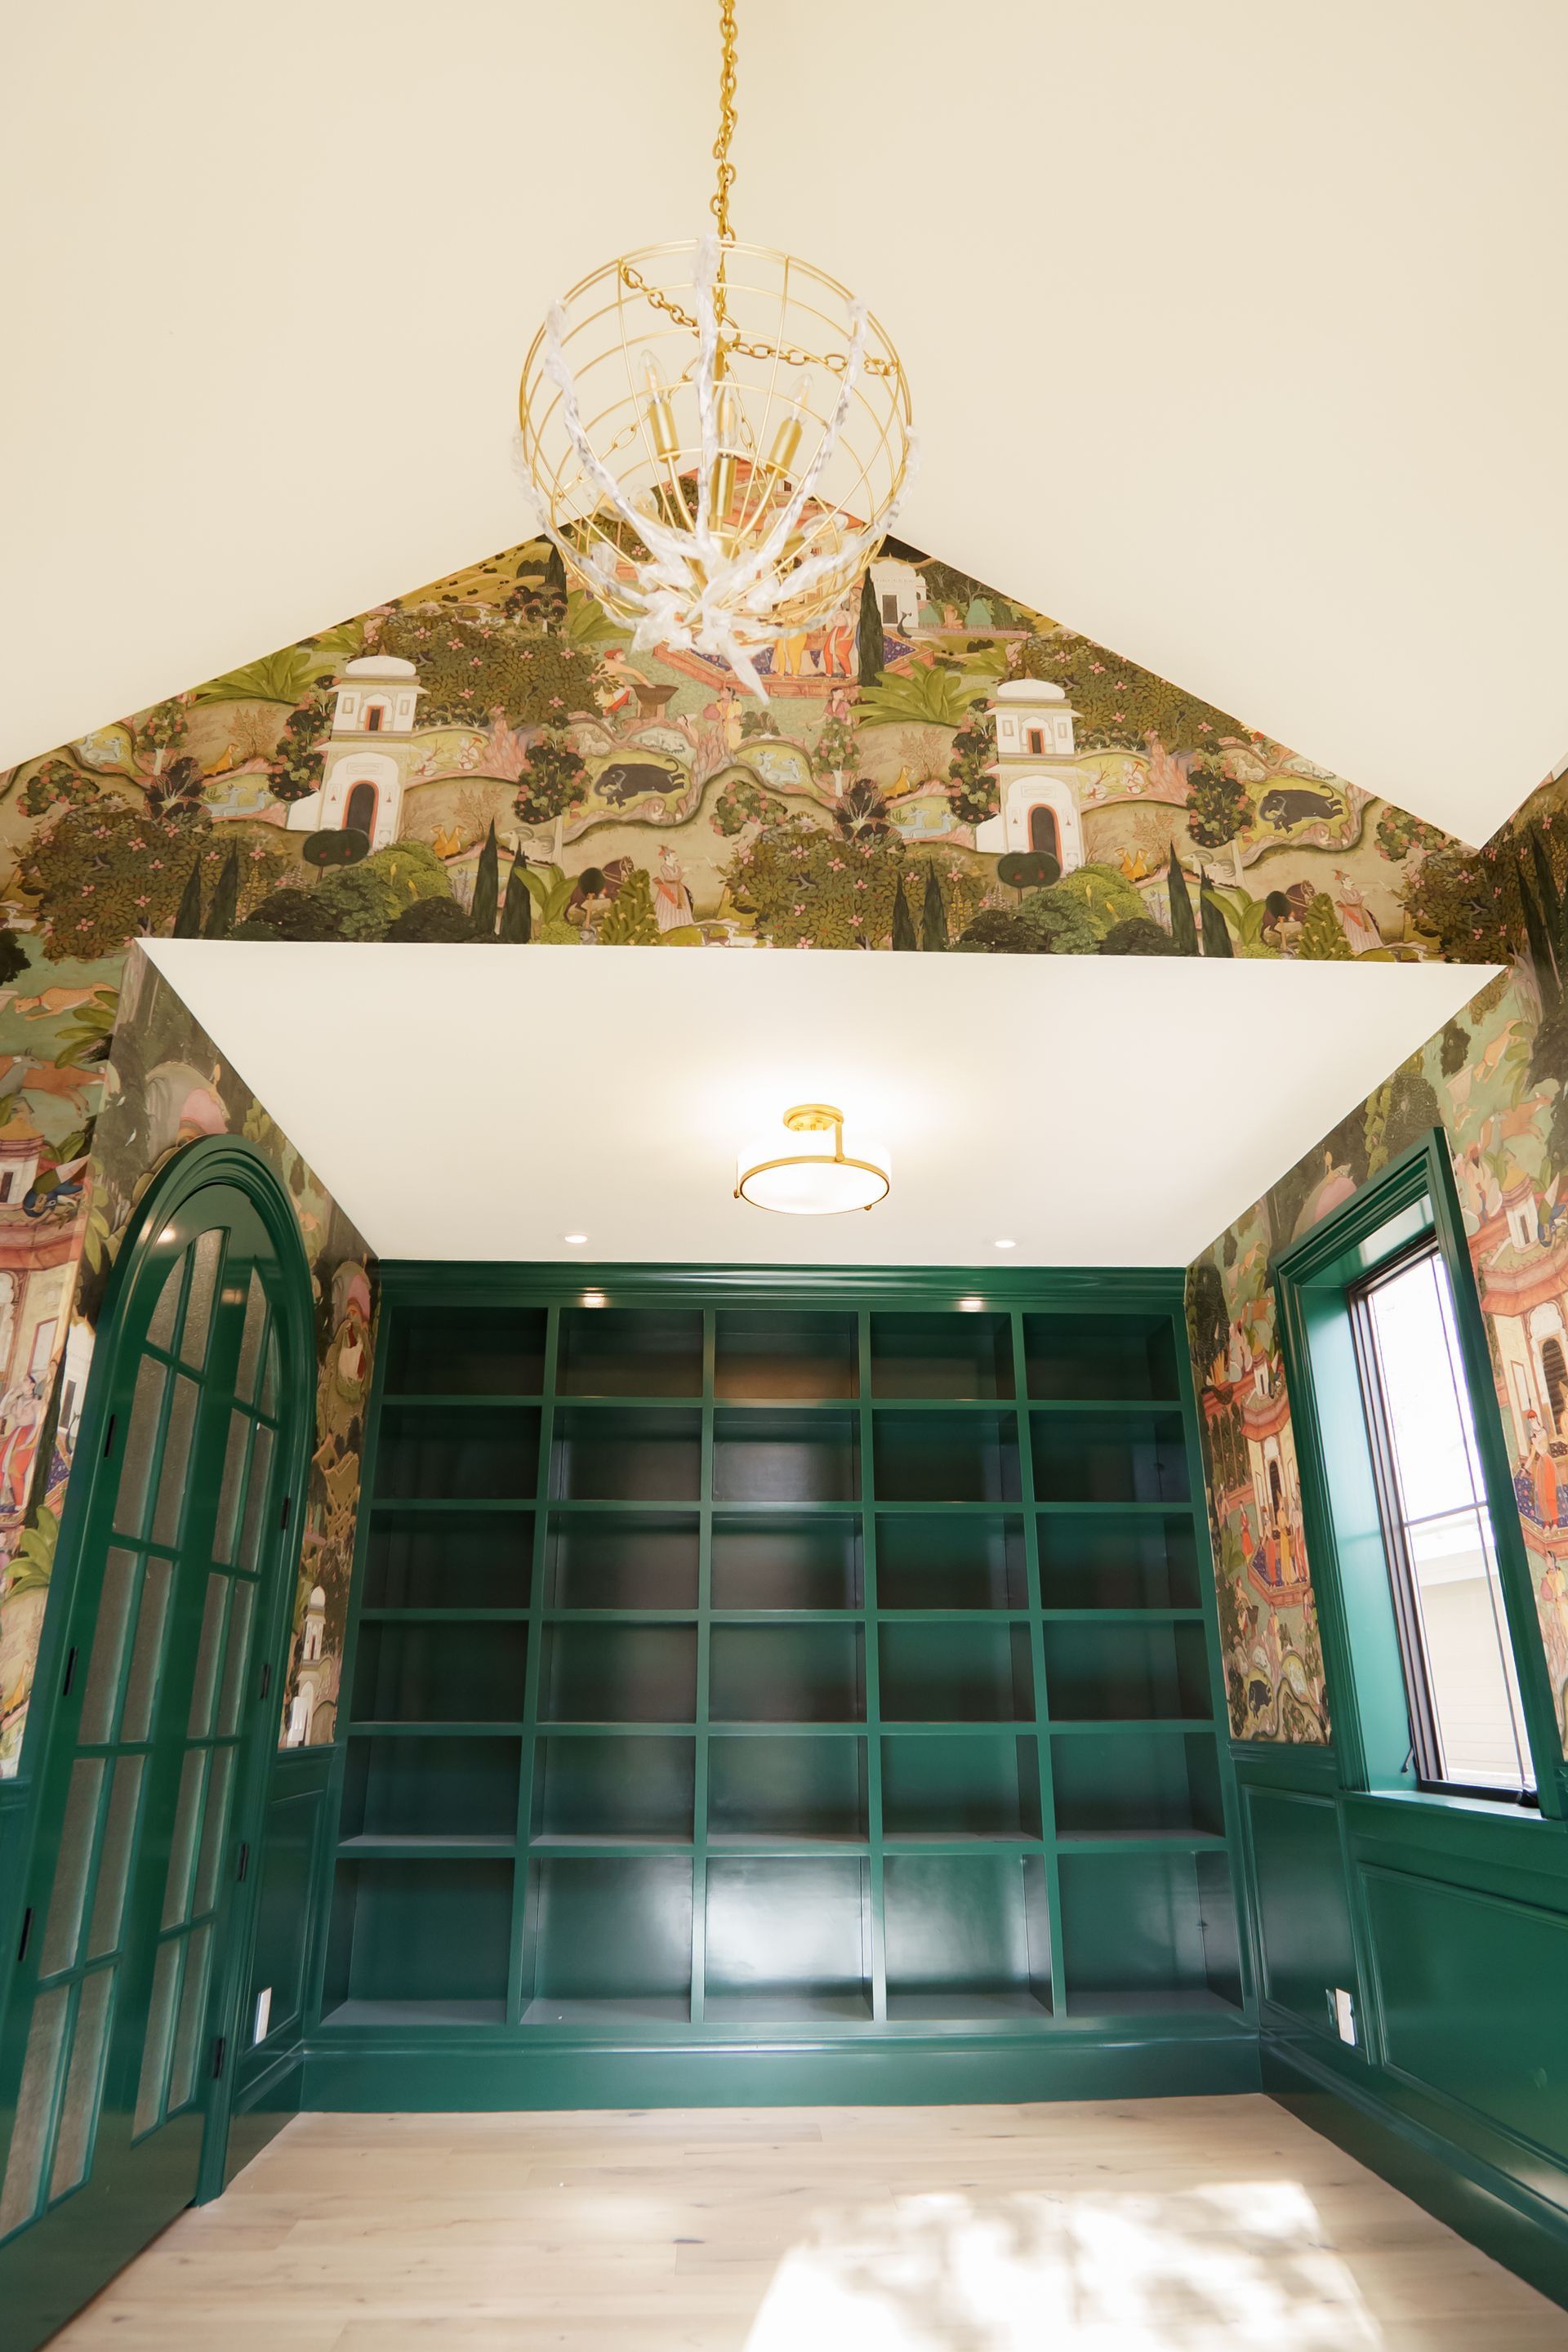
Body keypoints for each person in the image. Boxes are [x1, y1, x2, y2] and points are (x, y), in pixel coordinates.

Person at [653, 845, 694, 932]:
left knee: (680, 910)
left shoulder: (677, 868)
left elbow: (678, 879)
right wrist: (683, 872)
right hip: (668, 891)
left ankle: (681, 925)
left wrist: (682, 872)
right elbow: (670, 878)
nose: (676, 857)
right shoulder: (664, 868)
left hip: (679, 890)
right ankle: (667, 927)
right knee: (668, 908)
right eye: (674, 855)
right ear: (667, 857)